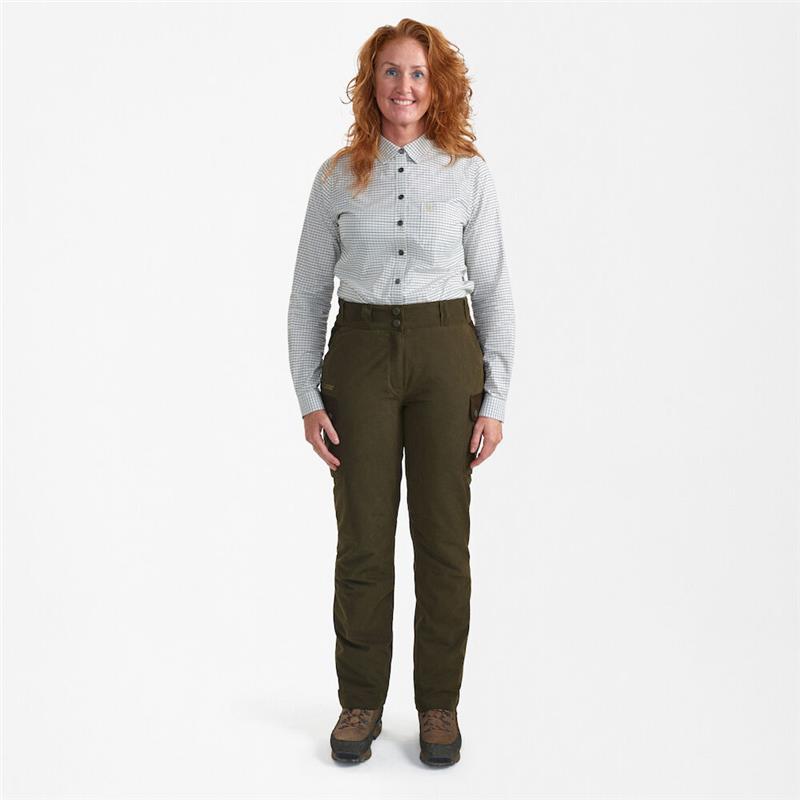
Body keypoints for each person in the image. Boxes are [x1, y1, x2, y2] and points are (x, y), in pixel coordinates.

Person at [287, 18, 515, 767]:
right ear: (371, 83)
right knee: (362, 539)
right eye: (391, 71)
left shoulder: (467, 174)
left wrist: (495, 402)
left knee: (444, 543)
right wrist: (309, 398)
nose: (404, 86)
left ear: (437, 85)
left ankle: (438, 704)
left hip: (447, 354)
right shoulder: (336, 176)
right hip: (358, 357)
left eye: (418, 73)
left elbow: (494, 288)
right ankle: (360, 701)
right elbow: (307, 295)